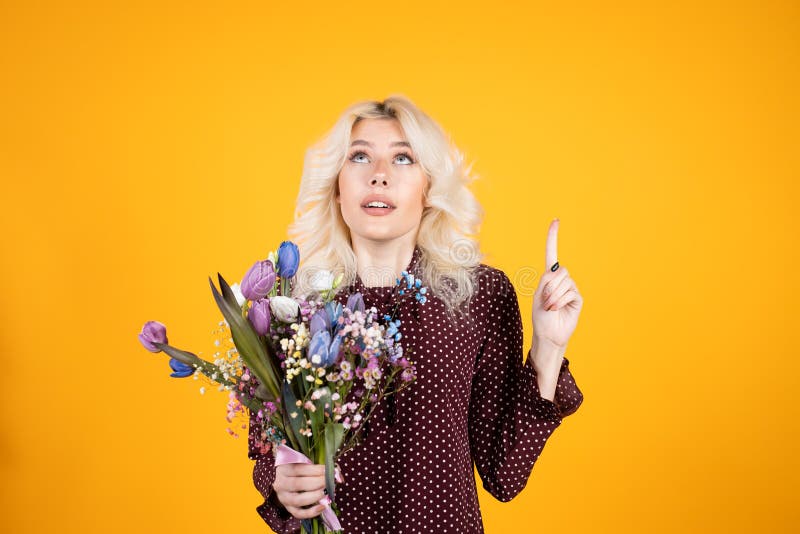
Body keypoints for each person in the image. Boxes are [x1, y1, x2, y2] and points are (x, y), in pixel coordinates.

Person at [248, 95, 585, 533]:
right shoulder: (290, 303)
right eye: (360, 156)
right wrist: (281, 483)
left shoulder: (481, 295)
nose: (380, 176)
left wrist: (550, 345)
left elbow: (505, 474)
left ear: (429, 187)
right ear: (337, 185)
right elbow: (269, 454)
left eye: (403, 158)